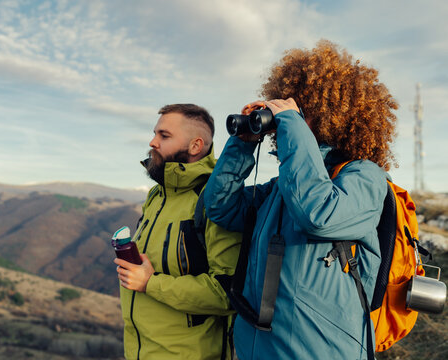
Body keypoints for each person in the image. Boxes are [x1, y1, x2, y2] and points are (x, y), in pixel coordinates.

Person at [204, 40, 398, 359]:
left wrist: (292, 124)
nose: (280, 121)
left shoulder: (365, 177)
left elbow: (319, 214)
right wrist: (242, 144)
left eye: (297, 111)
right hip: (258, 347)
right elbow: (220, 208)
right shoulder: (284, 186)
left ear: (327, 116)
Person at [114, 104, 241, 360]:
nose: (153, 142)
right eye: (155, 133)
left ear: (195, 146)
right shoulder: (157, 194)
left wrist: (151, 283)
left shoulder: (215, 199)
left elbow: (227, 293)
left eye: (164, 135)